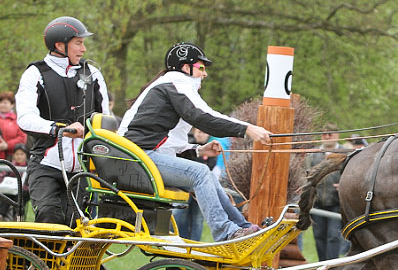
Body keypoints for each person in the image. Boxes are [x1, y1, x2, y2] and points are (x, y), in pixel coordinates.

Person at [118, 41, 270, 241]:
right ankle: (226, 232)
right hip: (135, 159)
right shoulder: (176, 81)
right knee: (199, 173)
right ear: (185, 67)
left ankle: (243, 227)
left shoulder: (170, 87)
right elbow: (201, 116)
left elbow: (168, 142)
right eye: (201, 67)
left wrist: (199, 150)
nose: (205, 73)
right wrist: (247, 128)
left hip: (142, 156)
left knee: (205, 173)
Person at [16, 16, 110, 225]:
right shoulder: (35, 74)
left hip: (82, 168)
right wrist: (60, 129)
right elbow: (25, 118)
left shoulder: (92, 73)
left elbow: (106, 118)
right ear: (60, 45)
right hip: (46, 163)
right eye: (79, 42)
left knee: (76, 225)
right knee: (49, 217)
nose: (84, 49)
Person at [303, 124, 344, 261]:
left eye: (330, 134)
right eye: (324, 134)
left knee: (333, 235)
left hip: (336, 201)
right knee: (319, 235)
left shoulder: (346, 154)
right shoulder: (314, 155)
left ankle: (331, 266)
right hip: (317, 202)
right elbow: (306, 174)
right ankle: (322, 265)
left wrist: (343, 184)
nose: (327, 137)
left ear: (337, 135)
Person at [172, 128, 217, 241]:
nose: (201, 135)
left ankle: (194, 242)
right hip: (184, 186)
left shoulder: (211, 147)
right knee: (180, 213)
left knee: (197, 218)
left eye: (204, 132)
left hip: (200, 188)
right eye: (199, 132)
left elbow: (211, 164)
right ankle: (178, 240)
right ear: (194, 132)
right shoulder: (187, 145)